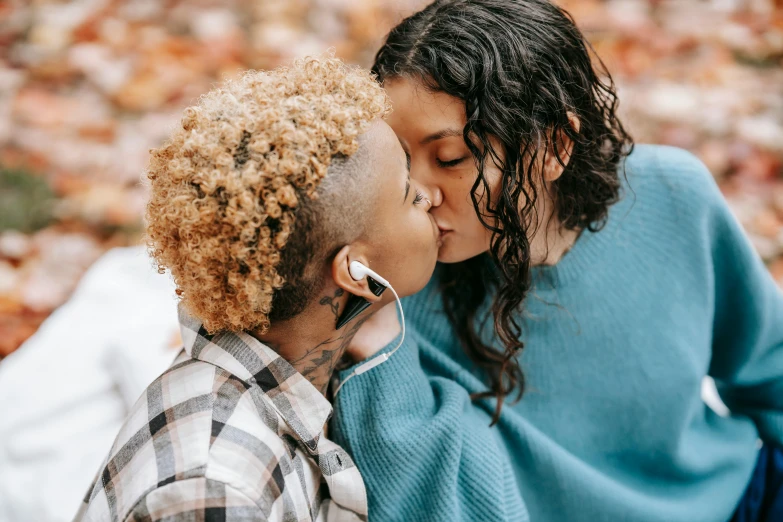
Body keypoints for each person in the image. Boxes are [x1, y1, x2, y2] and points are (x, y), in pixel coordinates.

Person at [329, 1, 783, 521]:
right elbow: (420, 500)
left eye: (450, 158)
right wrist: (380, 352)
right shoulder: (395, 286)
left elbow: (770, 367)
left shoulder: (675, 195)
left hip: (747, 496)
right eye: (400, 160)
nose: (420, 193)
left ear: (553, 146)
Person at [75, 55, 440, 522]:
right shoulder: (214, 492)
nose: (429, 196)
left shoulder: (287, 370)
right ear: (355, 273)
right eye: (410, 194)